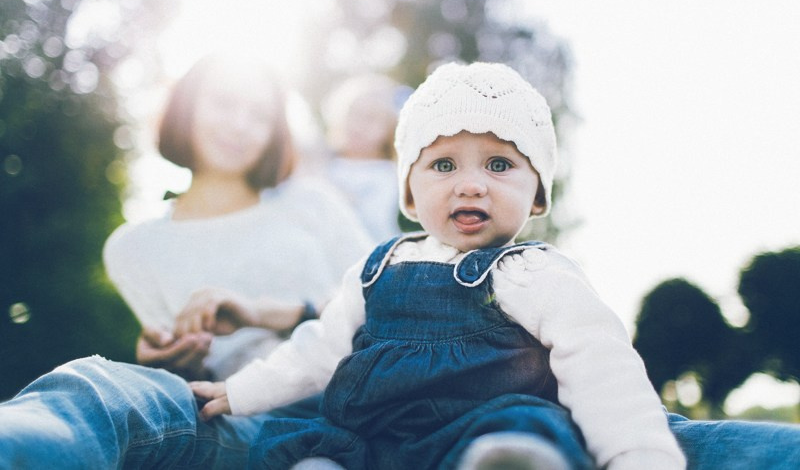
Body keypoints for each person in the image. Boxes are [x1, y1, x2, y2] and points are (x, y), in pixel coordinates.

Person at [190, 62, 685, 470]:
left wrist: (638, 455)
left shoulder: (535, 273)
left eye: (498, 164)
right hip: (373, 444)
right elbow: (318, 350)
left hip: (483, 430)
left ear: (537, 193)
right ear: (409, 190)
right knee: (313, 454)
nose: (470, 185)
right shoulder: (377, 267)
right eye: (444, 165)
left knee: (527, 435)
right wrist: (241, 390)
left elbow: (599, 362)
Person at [0, 54, 372, 468]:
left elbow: (392, 298)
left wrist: (268, 313)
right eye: (224, 103)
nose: (238, 124)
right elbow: (186, 389)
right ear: (186, 106)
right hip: (241, 420)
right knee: (109, 390)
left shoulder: (312, 203)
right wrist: (173, 360)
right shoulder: (134, 249)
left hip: (354, 403)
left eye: (258, 114)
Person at [320, 73, 410, 243]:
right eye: (353, 114)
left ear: (390, 128)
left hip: (369, 254)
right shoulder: (325, 163)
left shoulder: (386, 173)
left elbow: (372, 221)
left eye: (371, 119)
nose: (358, 125)